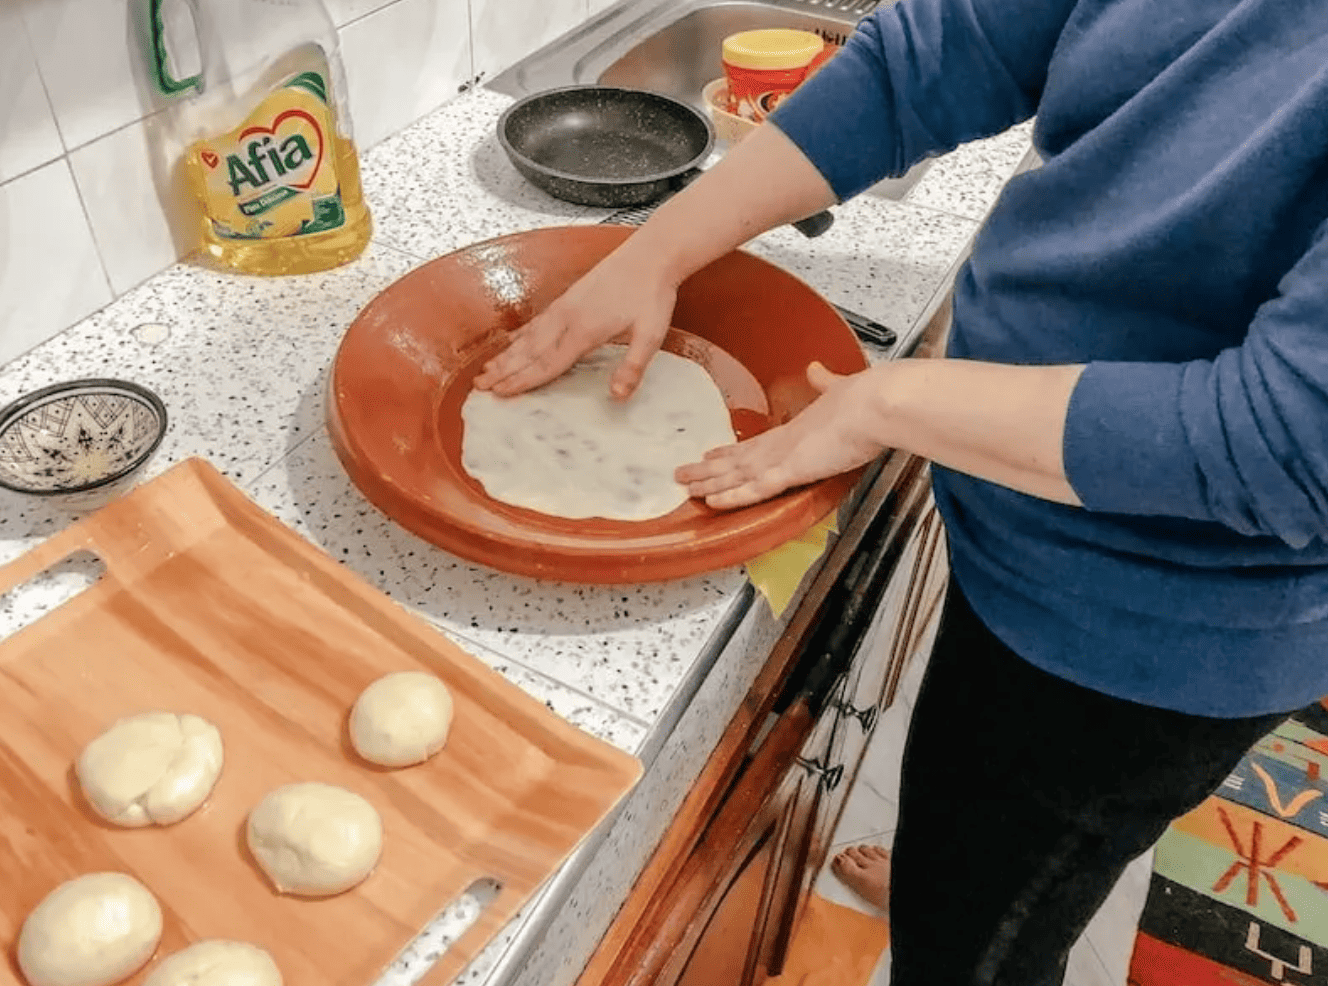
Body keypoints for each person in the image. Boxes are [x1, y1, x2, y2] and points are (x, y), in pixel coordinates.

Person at [476, 0, 1328, 982]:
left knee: (983, 937)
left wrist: (895, 402)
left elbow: (1282, 446)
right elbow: (941, 53)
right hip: (1013, 520)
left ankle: (970, 910)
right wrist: (656, 250)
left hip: (1151, 627)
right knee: (965, 814)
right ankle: (952, 867)